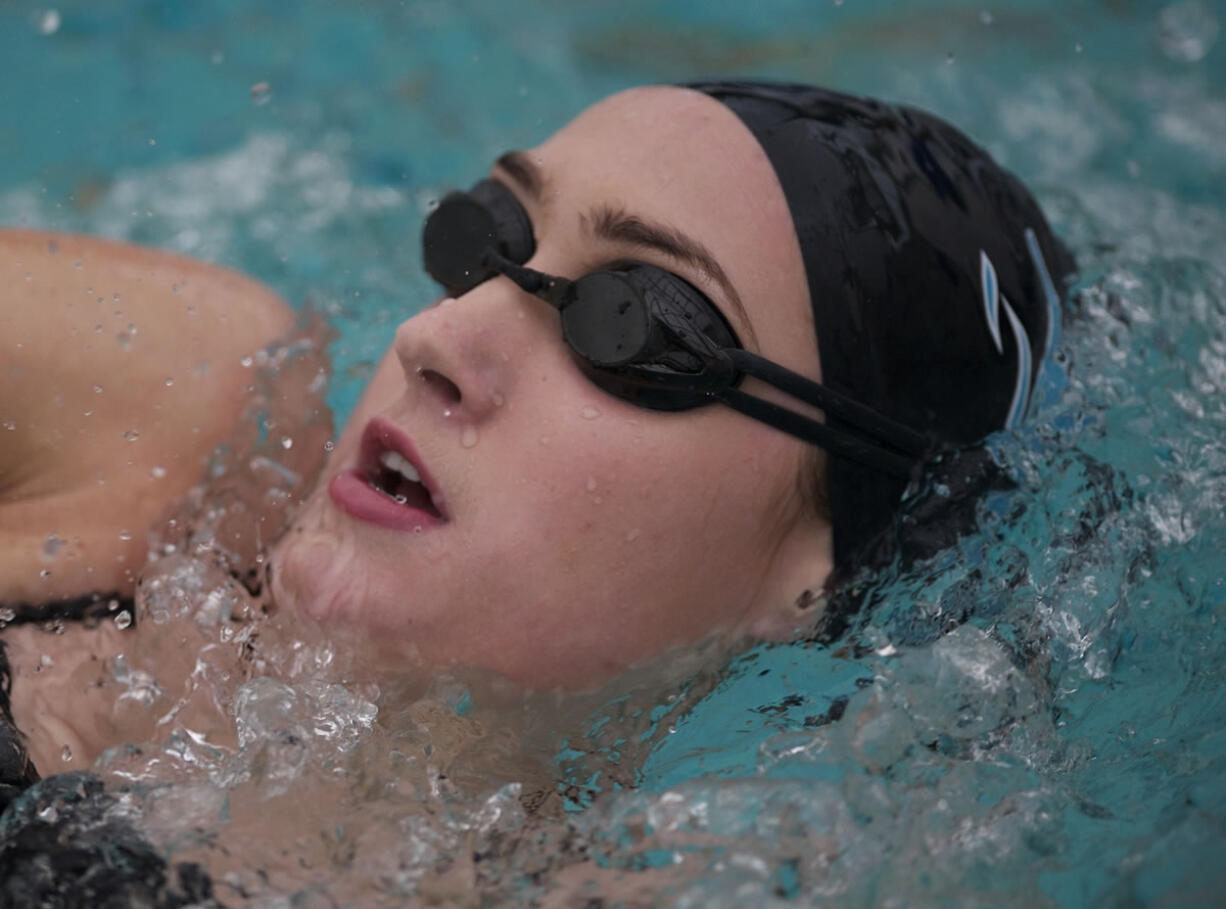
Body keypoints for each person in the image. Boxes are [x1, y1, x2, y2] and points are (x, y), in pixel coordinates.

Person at [0, 81, 1074, 811]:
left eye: (639, 323)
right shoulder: (158, 419)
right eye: (490, 240)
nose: (436, 336)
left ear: (819, 571)